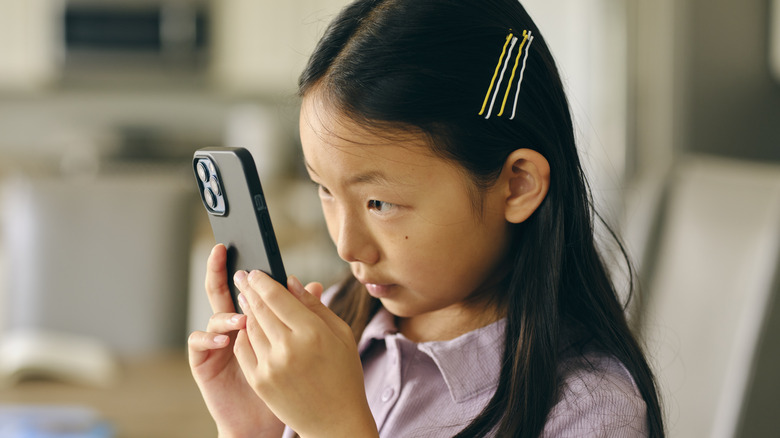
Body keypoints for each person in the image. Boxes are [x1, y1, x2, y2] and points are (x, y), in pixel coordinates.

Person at [188, 0, 665, 436]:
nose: (347, 247)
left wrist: (337, 427)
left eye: (379, 203)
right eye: (325, 191)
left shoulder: (589, 413)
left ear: (517, 185)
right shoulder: (337, 326)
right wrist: (255, 429)